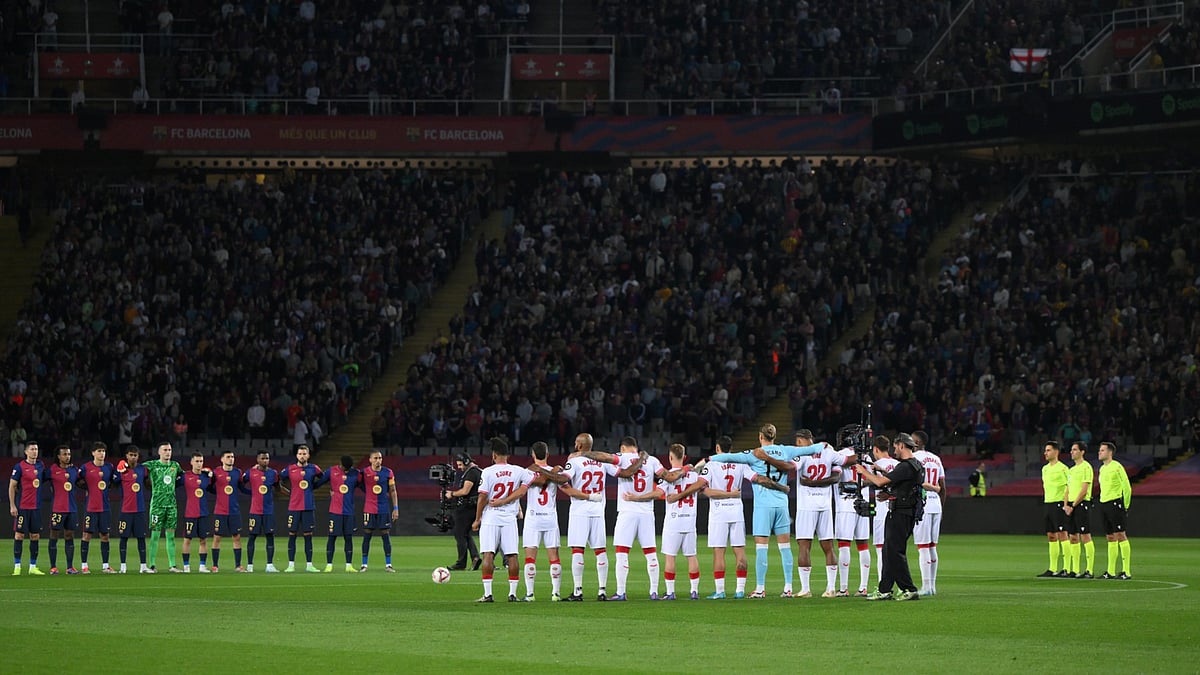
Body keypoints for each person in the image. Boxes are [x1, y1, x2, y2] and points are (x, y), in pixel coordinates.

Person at [708, 423, 819, 598]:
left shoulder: (754, 454)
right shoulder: (786, 451)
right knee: (785, 547)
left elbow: (728, 458)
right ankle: (788, 587)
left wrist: (710, 459)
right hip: (782, 504)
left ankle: (760, 588)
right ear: (774, 436)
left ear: (761, 437)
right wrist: (824, 446)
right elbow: (811, 450)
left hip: (763, 506)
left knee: (761, 548)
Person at [583, 436, 667, 601]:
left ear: (623, 448)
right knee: (650, 553)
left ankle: (621, 592)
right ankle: (654, 591)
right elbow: (664, 478)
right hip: (647, 511)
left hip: (627, 510)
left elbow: (606, 457)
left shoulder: (622, 458)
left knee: (622, 552)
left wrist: (585, 453)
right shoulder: (653, 460)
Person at [547, 432, 620, 601]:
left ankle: (578, 591)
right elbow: (621, 473)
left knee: (578, 549)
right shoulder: (602, 462)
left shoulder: (574, 461)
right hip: (597, 509)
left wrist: (549, 472)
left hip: (580, 509)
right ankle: (602, 591)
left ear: (579, 446)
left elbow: (562, 479)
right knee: (600, 550)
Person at [774, 429, 846, 598]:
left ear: (801, 441)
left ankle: (806, 589)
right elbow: (836, 476)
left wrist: (809, 482)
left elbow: (791, 467)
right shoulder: (829, 451)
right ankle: (831, 588)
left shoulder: (802, 455)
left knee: (804, 545)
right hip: (825, 505)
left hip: (807, 506)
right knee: (828, 546)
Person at [856, 433, 923, 601]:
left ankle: (908, 588)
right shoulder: (914, 465)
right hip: (906, 511)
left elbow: (879, 483)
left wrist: (864, 471)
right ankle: (885, 589)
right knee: (889, 551)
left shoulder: (906, 466)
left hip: (900, 512)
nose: (894, 450)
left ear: (901, 445)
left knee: (895, 552)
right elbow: (903, 485)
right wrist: (883, 472)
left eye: (896, 446)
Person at [472, 437, 534, 602]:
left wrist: (477, 519)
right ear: (508, 454)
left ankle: (488, 594)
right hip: (509, 518)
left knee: (488, 554)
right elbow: (525, 487)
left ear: (493, 455)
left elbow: (482, 497)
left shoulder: (488, 471)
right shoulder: (519, 471)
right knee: (512, 555)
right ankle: (512, 594)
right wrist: (508, 500)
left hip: (491, 517)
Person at [699, 435, 752, 599]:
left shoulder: (711, 464)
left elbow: (705, 490)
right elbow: (754, 478)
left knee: (719, 552)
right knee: (740, 551)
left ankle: (720, 591)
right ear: (731, 448)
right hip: (736, 511)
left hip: (719, 513)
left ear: (717, 448)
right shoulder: (740, 464)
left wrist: (724, 493)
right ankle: (740, 590)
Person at [658, 444, 704, 600]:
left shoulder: (667, 476)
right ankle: (694, 591)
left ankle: (670, 592)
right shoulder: (694, 476)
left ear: (670, 457)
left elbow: (659, 493)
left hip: (673, 522)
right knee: (692, 556)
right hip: (690, 521)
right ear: (684, 457)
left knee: (670, 557)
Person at [520, 441, 564, 601]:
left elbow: (530, 485)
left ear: (532, 454)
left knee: (530, 558)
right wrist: (553, 471)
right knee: (554, 557)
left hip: (533, 518)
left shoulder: (527, 472)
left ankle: (530, 594)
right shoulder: (556, 472)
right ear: (547, 454)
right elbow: (562, 484)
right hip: (550, 518)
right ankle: (556, 593)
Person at [834, 445, 871, 597]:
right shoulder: (866, 457)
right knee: (863, 545)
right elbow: (871, 479)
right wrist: (860, 485)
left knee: (844, 545)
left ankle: (843, 588)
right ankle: (863, 587)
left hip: (845, 503)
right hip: (863, 502)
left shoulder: (839, 455)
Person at [912, 430, 945, 596]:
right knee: (932, 546)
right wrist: (941, 506)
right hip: (936, 503)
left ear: (917, 442)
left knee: (923, 546)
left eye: (912, 440)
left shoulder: (915, 458)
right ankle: (932, 586)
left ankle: (925, 586)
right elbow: (943, 486)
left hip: (923, 503)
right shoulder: (936, 459)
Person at [280, 444, 323, 573]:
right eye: (300, 454)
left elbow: (324, 478)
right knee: (292, 535)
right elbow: (277, 480)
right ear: (296, 455)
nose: (302, 456)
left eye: (304, 454)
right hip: (294, 507)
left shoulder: (314, 468)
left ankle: (309, 565)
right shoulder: (290, 469)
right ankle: (291, 565)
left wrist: (313, 487)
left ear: (308, 455)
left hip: (308, 506)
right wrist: (286, 491)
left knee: (308, 536)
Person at [143, 442, 184, 573]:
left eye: (170, 450)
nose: (168, 452)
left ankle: (172, 565)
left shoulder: (175, 465)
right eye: (165, 450)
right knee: (155, 536)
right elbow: (136, 469)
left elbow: (184, 477)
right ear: (159, 452)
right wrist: (124, 465)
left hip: (171, 506)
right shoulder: (152, 465)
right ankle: (152, 565)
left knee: (171, 536)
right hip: (157, 506)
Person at [9, 442, 47, 575]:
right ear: (26, 452)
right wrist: (13, 505)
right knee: (19, 535)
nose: (34, 452)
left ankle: (33, 566)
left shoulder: (41, 465)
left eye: (36, 449)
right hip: (23, 507)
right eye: (32, 449)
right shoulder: (19, 466)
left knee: (35, 536)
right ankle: (17, 566)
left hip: (36, 507)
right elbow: (12, 486)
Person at [317, 455, 359, 573]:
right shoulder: (331, 471)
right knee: (332, 537)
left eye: (348, 469)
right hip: (335, 511)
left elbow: (365, 486)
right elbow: (319, 483)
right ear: (340, 464)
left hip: (349, 512)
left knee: (348, 538)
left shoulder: (356, 473)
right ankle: (329, 565)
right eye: (344, 468)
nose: (345, 470)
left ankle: (349, 565)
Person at [358, 450, 398, 572]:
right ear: (370, 460)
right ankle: (364, 565)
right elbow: (355, 483)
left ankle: (388, 565)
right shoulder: (364, 472)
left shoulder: (388, 472)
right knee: (367, 536)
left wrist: (395, 508)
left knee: (385, 535)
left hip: (383, 509)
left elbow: (393, 491)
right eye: (375, 458)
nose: (378, 460)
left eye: (380, 458)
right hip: (369, 509)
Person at [1097, 441, 1132, 580]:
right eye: (1100, 450)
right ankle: (1110, 571)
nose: (1100, 452)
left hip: (1115, 503)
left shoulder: (1117, 467)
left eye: (1102, 450)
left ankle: (1126, 571)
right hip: (1104, 503)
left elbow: (1127, 487)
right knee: (1110, 537)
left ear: (1110, 452)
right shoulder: (1102, 468)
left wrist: (1126, 505)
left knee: (1120, 535)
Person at [81, 441, 118, 573]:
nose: (102, 454)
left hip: (105, 507)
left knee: (105, 536)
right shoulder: (85, 468)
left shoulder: (109, 467)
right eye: (99, 451)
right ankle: (84, 566)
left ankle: (105, 566)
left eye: (103, 451)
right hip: (91, 507)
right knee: (86, 535)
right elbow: (77, 481)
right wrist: (87, 488)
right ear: (93, 453)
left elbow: (115, 481)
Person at [115, 446, 151, 574]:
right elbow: (113, 483)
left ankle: (143, 566)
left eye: (135, 455)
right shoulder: (121, 470)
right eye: (131, 455)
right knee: (123, 538)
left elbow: (148, 484)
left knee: (141, 538)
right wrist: (118, 470)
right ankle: (123, 566)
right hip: (126, 510)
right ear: (126, 455)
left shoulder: (143, 469)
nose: (133, 457)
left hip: (140, 510)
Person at [210, 449, 248, 573]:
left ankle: (238, 565)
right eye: (228, 457)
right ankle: (215, 565)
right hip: (220, 511)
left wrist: (255, 492)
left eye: (232, 456)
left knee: (236, 537)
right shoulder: (216, 472)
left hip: (234, 511)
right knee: (217, 538)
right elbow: (209, 487)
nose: (231, 459)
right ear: (222, 459)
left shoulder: (238, 472)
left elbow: (242, 488)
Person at [244, 450, 281, 572]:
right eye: (263, 458)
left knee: (270, 536)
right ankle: (250, 565)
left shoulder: (273, 473)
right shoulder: (251, 472)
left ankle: (269, 565)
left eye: (267, 458)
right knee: (252, 536)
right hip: (255, 511)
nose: (265, 461)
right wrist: (250, 493)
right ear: (258, 460)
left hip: (268, 511)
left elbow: (277, 487)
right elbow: (240, 483)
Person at [444, 451, 481, 571]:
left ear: (466, 462)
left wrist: (452, 494)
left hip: (467, 508)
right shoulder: (480, 471)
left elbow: (465, 491)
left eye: (460, 465)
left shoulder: (471, 473)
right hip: (475, 507)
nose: (459, 468)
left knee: (459, 534)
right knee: (465, 534)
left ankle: (461, 563)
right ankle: (475, 557)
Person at [48, 445, 82, 574]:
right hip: (57, 508)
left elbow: (83, 482)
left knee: (69, 536)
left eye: (68, 454)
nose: (67, 456)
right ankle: (53, 567)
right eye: (64, 454)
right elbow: (39, 480)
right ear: (58, 456)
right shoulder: (52, 470)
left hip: (72, 509)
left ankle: (69, 567)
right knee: (54, 536)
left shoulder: (74, 470)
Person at [868, 436, 897, 586]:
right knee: (896, 550)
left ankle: (883, 584)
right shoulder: (898, 464)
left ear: (876, 450)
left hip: (881, 511)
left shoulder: (874, 465)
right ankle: (898, 583)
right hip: (897, 510)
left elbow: (868, 482)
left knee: (880, 550)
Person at [1038, 441, 1070, 577]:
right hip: (1048, 503)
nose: (1045, 453)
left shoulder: (1063, 468)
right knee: (1051, 536)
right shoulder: (1044, 469)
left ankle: (1067, 568)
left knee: (1063, 534)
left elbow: (1069, 486)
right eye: (1045, 450)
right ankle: (1053, 568)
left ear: (1056, 452)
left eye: (1048, 450)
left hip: (1059, 504)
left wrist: (1066, 503)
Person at [1064, 442, 1095, 579]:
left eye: (1075, 449)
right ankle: (1075, 569)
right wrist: (1066, 505)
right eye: (1071, 450)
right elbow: (1068, 489)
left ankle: (1089, 570)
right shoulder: (1071, 470)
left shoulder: (1086, 467)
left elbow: (1084, 490)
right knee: (1073, 536)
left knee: (1085, 536)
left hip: (1081, 504)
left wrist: (1073, 505)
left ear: (1082, 452)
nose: (1072, 452)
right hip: (1070, 505)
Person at [181, 452, 214, 573]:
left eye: (201, 461)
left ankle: (202, 566)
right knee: (187, 540)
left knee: (203, 540)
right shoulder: (185, 476)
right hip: (190, 513)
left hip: (203, 513)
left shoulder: (207, 477)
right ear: (191, 462)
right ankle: (186, 566)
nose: (199, 464)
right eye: (197, 461)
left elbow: (214, 488)